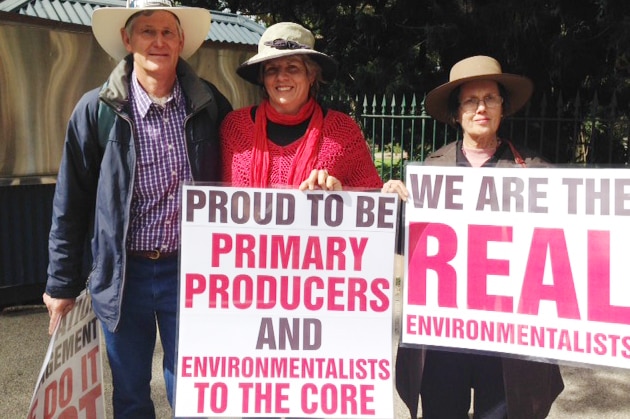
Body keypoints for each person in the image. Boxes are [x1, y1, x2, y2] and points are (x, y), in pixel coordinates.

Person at [42, 0, 232, 417]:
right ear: (128, 40)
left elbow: (245, 172)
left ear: (181, 41)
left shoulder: (210, 105)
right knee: (129, 395)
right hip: (122, 276)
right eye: (148, 31)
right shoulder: (96, 111)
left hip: (193, 273)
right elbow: (69, 205)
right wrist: (59, 287)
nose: (158, 41)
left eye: (168, 32)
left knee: (196, 391)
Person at [395, 55, 564, 419]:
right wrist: (393, 210)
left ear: (503, 107)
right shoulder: (430, 170)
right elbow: (407, 246)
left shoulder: (535, 171)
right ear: (458, 113)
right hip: (443, 338)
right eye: (470, 100)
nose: (481, 107)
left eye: (490, 98)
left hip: (507, 341)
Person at [220, 21, 407, 197]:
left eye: (292, 68)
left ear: (311, 75)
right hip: (246, 231)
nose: (281, 77)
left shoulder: (343, 132)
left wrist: (348, 194)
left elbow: (369, 199)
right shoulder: (235, 128)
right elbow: (215, 200)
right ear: (262, 78)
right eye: (272, 69)